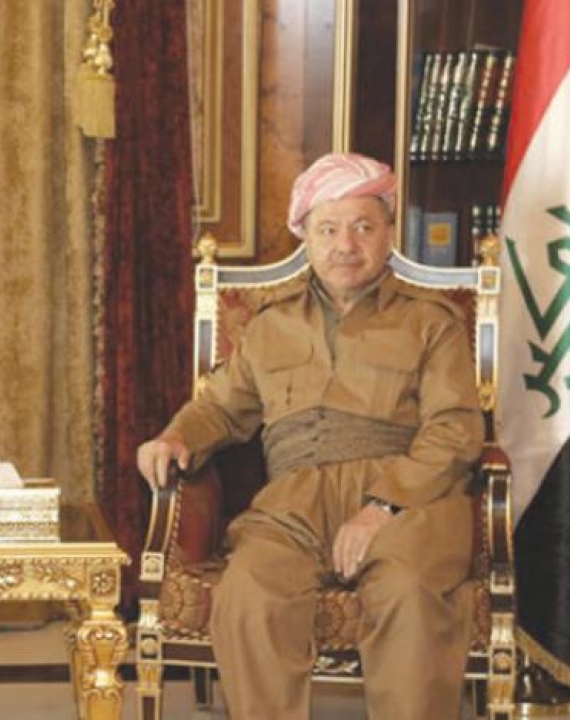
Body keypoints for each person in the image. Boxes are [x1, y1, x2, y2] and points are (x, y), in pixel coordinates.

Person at [137, 153, 483, 719]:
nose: (346, 244)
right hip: (293, 502)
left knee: (409, 590)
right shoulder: (270, 324)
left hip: (410, 500)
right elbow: (220, 408)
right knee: (251, 590)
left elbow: (456, 428)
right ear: (305, 236)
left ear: (388, 232)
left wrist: (382, 507)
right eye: (329, 229)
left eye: (363, 226)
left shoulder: (432, 321)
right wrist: (176, 439)